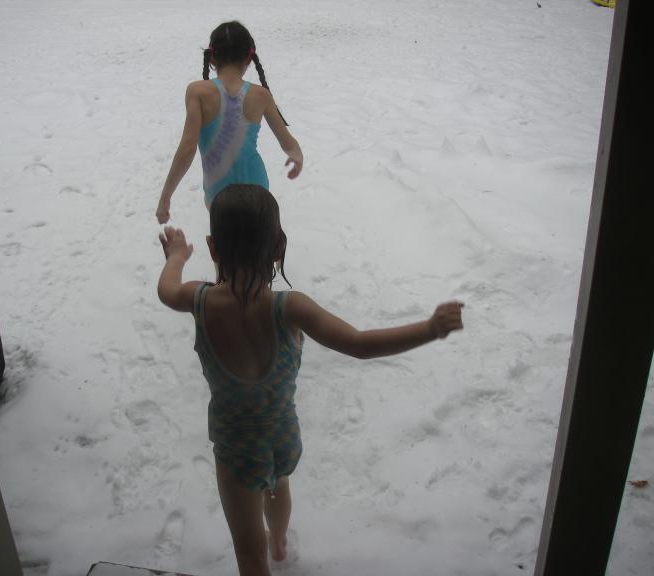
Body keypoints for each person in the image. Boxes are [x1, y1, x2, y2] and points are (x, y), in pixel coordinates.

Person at [157, 184, 464, 575]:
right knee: (278, 485)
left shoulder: (198, 300)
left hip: (237, 449)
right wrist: (429, 329)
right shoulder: (290, 308)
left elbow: (166, 289)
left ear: (213, 248)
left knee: (249, 553)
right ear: (278, 249)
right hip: (282, 437)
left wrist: (177, 256)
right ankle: (279, 541)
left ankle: (266, 551)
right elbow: (360, 344)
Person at [156, 21, 303, 224]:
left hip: (219, 195)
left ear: (212, 58)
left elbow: (188, 147)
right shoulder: (261, 95)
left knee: (227, 242)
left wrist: (165, 198)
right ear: (248, 58)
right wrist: (297, 158)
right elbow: (287, 142)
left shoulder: (197, 92)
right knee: (260, 242)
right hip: (257, 189)